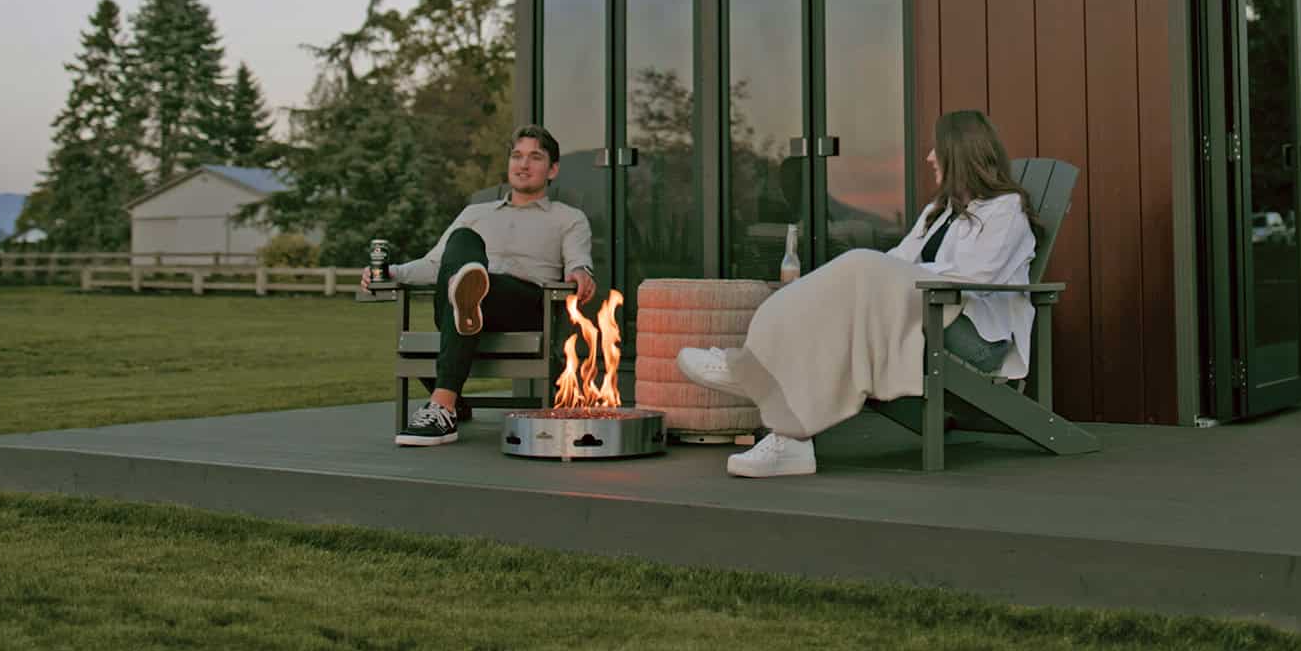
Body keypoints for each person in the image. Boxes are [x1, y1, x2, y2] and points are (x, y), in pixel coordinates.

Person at [677, 109, 1038, 478]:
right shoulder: (939, 211)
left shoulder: (1006, 209)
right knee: (842, 303)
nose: (930, 157)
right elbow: (899, 259)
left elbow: (976, 275)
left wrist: (890, 277)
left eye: (937, 149)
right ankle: (786, 431)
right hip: (923, 315)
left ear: (961, 152)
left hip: (974, 336)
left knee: (862, 266)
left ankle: (760, 388)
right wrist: (887, 277)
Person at [361, 124, 596, 447]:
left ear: (552, 169)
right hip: (466, 306)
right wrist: (390, 273)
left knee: (469, 286)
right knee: (463, 241)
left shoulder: (568, 217)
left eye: (535, 157)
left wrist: (581, 273)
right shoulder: (475, 213)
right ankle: (465, 291)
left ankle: (443, 407)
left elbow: (578, 262)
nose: (523, 164)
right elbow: (433, 264)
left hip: (521, 304)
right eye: (517, 156)